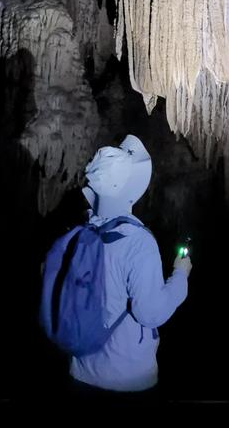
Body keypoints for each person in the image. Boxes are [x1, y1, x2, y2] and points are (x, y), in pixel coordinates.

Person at [68, 133, 192, 405]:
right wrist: (180, 276)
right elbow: (150, 312)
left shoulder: (81, 234)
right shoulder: (137, 242)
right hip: (126, 379)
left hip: (81, 372)